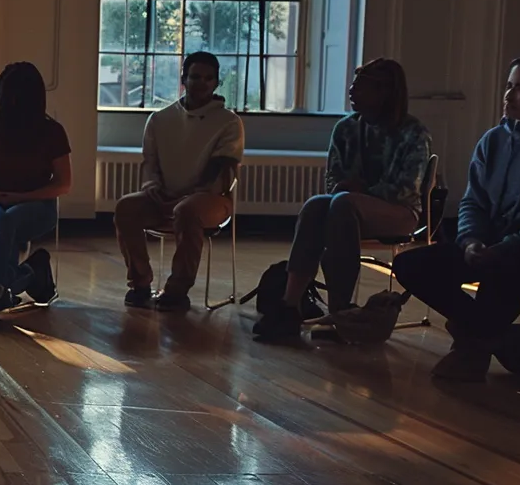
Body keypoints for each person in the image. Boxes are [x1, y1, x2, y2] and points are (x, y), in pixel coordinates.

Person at [393, 54, 520, 381]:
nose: (508, 95)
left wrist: (503, 249)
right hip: (488, 243)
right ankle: (495, 339)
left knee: (501, 274)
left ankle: (471, 346)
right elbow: (473, 201)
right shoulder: (494, 140)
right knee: (409, 265)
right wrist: (471, 241)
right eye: (508, 86)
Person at [254, 59, 429, 339]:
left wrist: (357, 192)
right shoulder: (346, 129)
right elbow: (332, 180)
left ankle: (339, 311)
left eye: (361, 86)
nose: (351, 91)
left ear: (384, 92)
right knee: (316, 205)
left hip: (400, 213)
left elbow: (404, 188)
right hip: (347, 209)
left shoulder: (412, 132)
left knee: (344, 203)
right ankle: (290, 305)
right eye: (353, 84)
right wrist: (347, 190)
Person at [113, 51, 244, 311]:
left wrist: (194, 193)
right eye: (195, 76)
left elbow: (221, 168)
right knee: (125, 207)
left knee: (187, 210)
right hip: (164, 195)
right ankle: (140, 283)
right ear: (184, 79)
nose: (202, 83)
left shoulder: (229, 122)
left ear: (217, 82)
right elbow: (150, 161)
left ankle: (177, 291)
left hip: (210, 199)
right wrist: (152, 186)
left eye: (209, 78)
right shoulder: (160, 119)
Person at [0, 62, 70, 326]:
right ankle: (31, 274)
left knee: (3, 225)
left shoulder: (52, 132)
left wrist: (23, 197)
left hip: (38, 206)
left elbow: (63, 183)